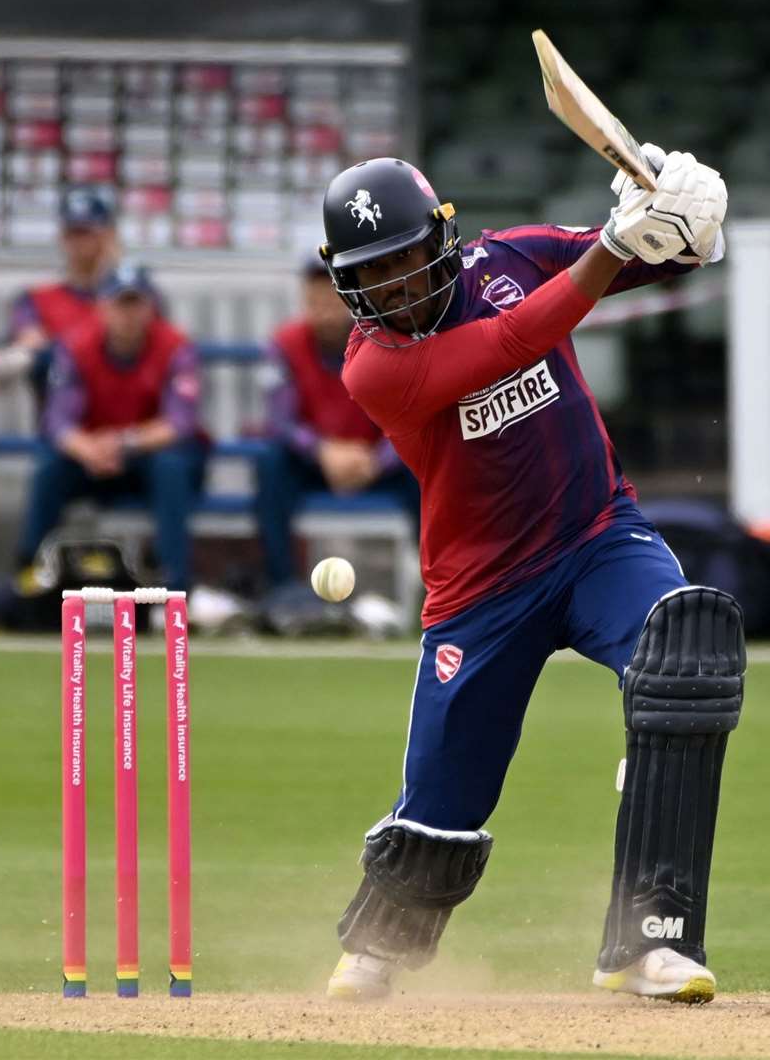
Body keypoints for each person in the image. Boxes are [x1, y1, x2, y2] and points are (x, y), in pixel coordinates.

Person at [317, 153, 744, 1006]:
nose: (397, 288)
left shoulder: (510, 259)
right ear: (347, 285)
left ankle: (651, 939)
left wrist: (687, 219)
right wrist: (614, 245)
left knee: (683, 660)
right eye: (373, 274)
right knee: (443, 807)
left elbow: (657, 255)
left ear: (441, 234)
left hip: (596, 538)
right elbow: (518, 339)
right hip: (482, 591)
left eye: (405, 258)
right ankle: (384, 942)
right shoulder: (373, 368)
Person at [12, 262, 204, 595]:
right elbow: (57, 420)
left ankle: (174, 583)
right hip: (93, 456)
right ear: (102, 307)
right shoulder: (76, 346)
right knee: (48, 470)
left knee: (171, 468)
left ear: (150, 307)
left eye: (135, 304)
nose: (127, 315)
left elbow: (180, 421)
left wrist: (122, 442)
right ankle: (30, 576)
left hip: (147, 456)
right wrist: (87, 448)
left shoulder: (176, 346)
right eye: (120, 304)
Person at [252, 254, 419, 628]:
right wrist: (323, 451)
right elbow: (279, 421)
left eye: (330, 291)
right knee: (270, 463)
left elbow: (410, 412)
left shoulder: (384, 336)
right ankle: (282, 592)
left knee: (426, 462)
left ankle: (441, 586)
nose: (322, 303)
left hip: (374, 460)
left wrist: (377, 459)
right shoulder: (285, 344)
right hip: (314, 461)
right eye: (313, 292)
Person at [0, 186, 118, 400]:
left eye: (88, 232)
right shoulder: (37, 299)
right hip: (62, 412)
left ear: (107, 236)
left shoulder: (131, 297)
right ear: (62, 236)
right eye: (73, 232)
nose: (80, 241)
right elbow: (30, 345)